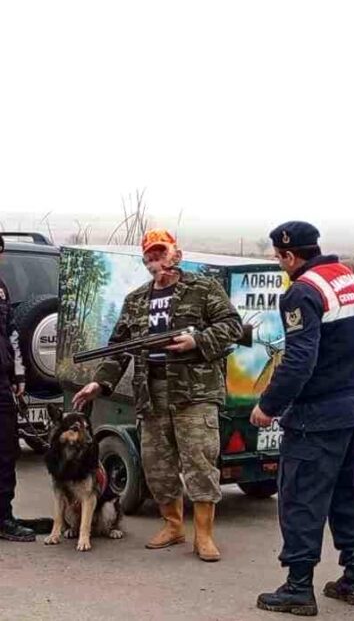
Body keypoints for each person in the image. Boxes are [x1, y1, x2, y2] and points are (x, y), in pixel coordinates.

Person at [73, 229, 242, 562]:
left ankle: (204, 536)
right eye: (150, 256)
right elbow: (118, 350)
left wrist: (198, 342)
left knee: (199, 463)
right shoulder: (136, 300)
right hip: (151, 393)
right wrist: (99, 384)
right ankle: (173, 526)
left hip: (194, 392)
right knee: (157, 466)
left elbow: (232, 326)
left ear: (175, 254)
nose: (156, 261)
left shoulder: (203, 288)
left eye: (161, 253)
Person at [253, 221, 354, 616]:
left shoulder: (301, 292)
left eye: (278, 259)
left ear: (290, 255)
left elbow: (299, 361)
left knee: (301, 499)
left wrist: (268, 405)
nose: (279, 265)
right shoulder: (348, 279)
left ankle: (298, 588)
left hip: (317, 418)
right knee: (346, 496)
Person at [0, 236, 34, 542]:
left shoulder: (1, 288)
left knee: (7, 451)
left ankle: (4, 518)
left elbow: (11, 331)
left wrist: (19, 374)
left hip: (2, 384)